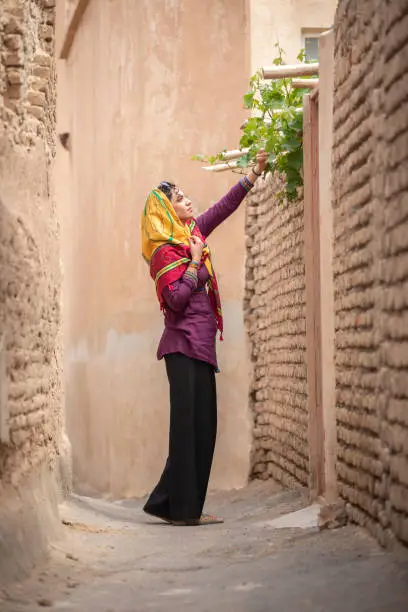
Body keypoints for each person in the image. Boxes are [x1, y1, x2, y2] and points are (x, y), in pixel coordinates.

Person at [141, 149, 269, 526]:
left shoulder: (193, 233)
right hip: (181, 348)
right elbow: (177, 301)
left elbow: (222, 208)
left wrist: (253, 175)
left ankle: (177, 504)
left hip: (201, 347)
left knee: (202, 429)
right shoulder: (165, 253)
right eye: (179, 199)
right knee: (186, 432)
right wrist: (196, 263)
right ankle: (180, 510)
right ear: (166, 211)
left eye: (184, 196)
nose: (188, 201)